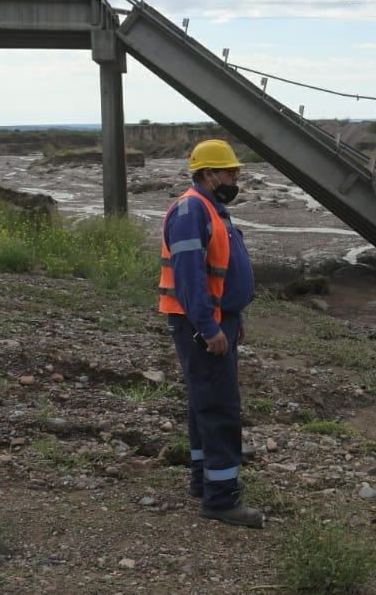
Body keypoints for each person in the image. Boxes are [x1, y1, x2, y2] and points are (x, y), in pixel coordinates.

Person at [159, 139, 262, 528]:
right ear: (208, 174)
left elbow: (217, 274)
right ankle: (221, 499)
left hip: (219, 320)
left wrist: (232, 318)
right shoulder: (191, 210)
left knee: (205, 402)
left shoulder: (212, 210)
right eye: (231, 172)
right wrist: (209, 326)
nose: (236, 178)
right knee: (220, 408)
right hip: (202, 325)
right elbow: (190, 278)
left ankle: (204, 482)